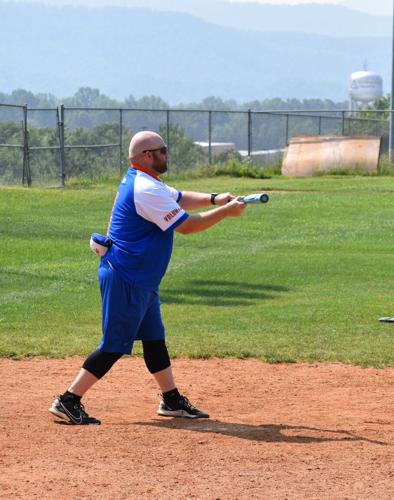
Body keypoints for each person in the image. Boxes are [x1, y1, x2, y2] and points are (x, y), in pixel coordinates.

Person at [49, 131, 247, 425]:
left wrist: (216, 198)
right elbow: (187, 227)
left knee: (154, 339)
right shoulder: (145, 189)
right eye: (162, 150)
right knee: (114, 344)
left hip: (141, 279)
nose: (167, 154)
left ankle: (171, 400)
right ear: (146, 156)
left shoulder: (149, 182)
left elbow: (178, 197)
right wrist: (225, 211)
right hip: (126, 276)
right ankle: (68, 400)